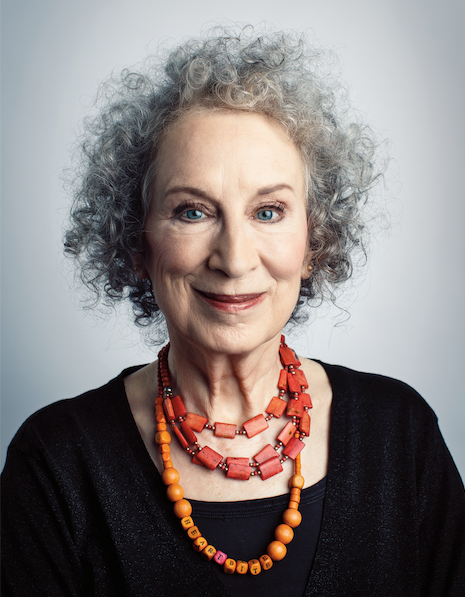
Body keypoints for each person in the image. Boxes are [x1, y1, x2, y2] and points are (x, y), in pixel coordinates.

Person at [2, 27, 464, 597]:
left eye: (268, 212)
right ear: (137, 241)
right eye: (193, 212)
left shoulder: (400, 433)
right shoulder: (55, 461)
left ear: (314, 240)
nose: (235, 259)